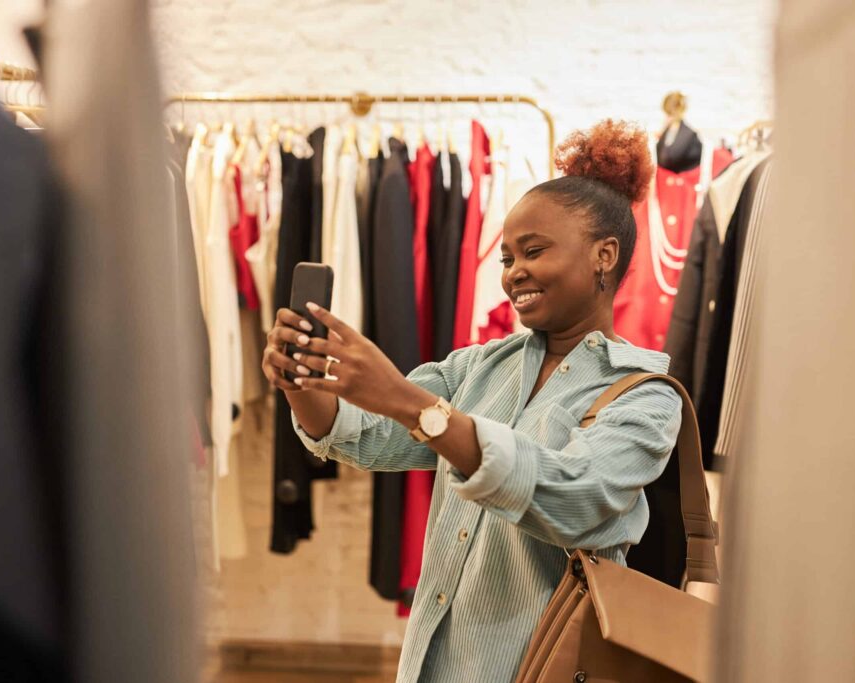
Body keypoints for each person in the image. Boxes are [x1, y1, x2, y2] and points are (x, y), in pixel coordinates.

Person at [262, 120, 682, 683]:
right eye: (507, 258)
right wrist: (303, 386)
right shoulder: (480, 366)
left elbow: (574, 498)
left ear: (604, 255)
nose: (514, 275)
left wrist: (412, 405)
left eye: (533, 252)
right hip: (433, 663)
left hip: (536, 667)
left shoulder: (646, 396)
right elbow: (365, 438)